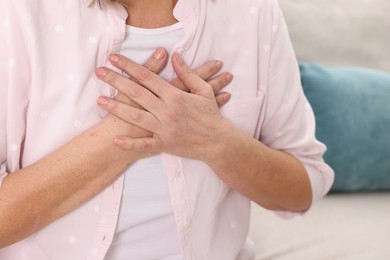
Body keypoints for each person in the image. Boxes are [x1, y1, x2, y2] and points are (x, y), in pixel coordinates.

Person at [0, 0, 334, 259]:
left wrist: (216, 142)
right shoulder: (17, 14)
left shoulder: (252, 10)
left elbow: (303, 186)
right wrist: (126, 133)